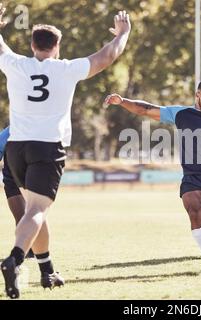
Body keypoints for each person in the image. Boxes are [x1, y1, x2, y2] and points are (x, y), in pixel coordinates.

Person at [0, 4, 131, 299]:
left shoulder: (15, 64)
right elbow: (108, 56)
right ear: (57, 47)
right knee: (35, 211)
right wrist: (123, 33)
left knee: (36, 210)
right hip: (47, 148)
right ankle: (15, 259)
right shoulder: (66, 69)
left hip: (16, 149)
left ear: (33, 45)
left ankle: (47, 270)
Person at [105, 78, 201, 273]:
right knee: (194, 213)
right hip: (192, 176)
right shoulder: (181, 114)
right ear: (197, 95)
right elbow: (146, 109)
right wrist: (122, 101)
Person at [0, 127, 34, 259]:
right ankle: (27, 250)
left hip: (28, 174)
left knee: (31, 213)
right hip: (12, 177)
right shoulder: (10, 130)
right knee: (23, 216)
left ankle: (32, 250)